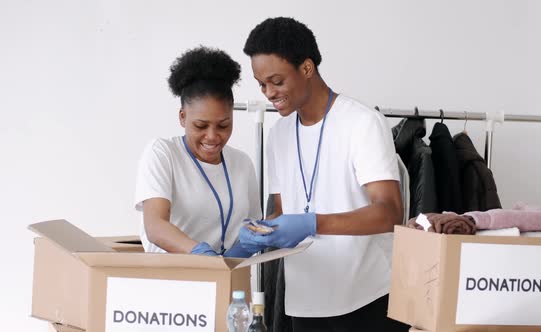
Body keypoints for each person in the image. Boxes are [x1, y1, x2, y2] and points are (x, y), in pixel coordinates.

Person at [239, 17, 410, 332]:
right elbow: (281, 210)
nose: (268, 93)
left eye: (277, 81)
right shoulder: (278, 134)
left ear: (306, 68)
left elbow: (389, 213)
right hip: (305, 303)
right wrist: (261, 231)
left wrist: (313, 222)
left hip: (368, 298)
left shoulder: (362, 123)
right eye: (261, 83)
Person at [134, 46, 263, 258]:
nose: (212, 136)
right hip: (174, 280)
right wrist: (200, 253)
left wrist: (240, 251)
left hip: (226, 278)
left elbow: (252, 227)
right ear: (182, 117)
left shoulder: (241, 163)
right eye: (201, 126)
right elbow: (155, 227)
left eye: (223, 125)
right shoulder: (163, 154)